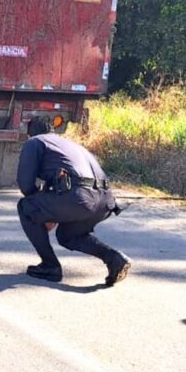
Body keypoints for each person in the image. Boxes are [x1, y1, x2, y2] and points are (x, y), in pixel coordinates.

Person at [16, 116, 131, 285]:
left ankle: (50, 266)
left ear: (30, 133)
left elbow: (25, 185)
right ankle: (114, 259)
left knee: (26, 208)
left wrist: (42, 213)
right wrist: (50, 209)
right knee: (67, 235)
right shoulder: (69, 145)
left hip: (80, 199)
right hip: (106, 201)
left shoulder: (34, 142)